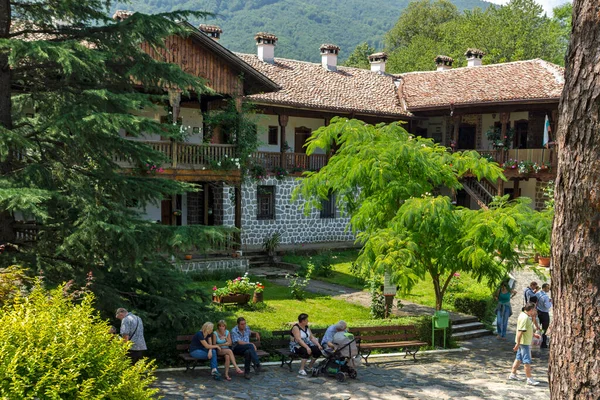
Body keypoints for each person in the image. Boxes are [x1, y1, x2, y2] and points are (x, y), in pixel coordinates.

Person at [509, 303, 541, 386]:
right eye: (534, 309)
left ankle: (512, 374)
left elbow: (527, 328)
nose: (535, 311)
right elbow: (520, 331)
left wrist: (533, 335)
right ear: (530, 310)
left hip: (524, 342)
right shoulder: (525, 318)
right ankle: (529, 378)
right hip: (524, 343)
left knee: (518, 358)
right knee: (527, 361)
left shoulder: (525, 315)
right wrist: (517, 344)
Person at [536, 283, 552, 349]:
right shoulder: (546, 297)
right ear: (544, 288)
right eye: (548, 288)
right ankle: (543, 343)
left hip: (538, 311)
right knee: (544, 329)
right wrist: (550, 301)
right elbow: (547, 306)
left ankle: (537, 340)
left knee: (538, 327)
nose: (549, 289)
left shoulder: (538, 293)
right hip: (544, 314)